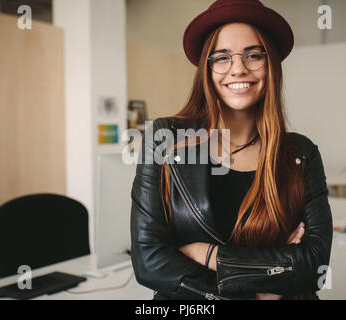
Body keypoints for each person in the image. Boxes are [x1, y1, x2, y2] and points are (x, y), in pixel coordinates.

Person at [130, 0, 333, 300]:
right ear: (207, 69)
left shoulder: (300, 153)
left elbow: (315, 265)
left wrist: (209, 254)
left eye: (253, 55)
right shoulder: (166, 138)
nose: (237, 69)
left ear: (271, 65)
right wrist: (258, 289)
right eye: (222, 57)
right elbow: (149, 263)